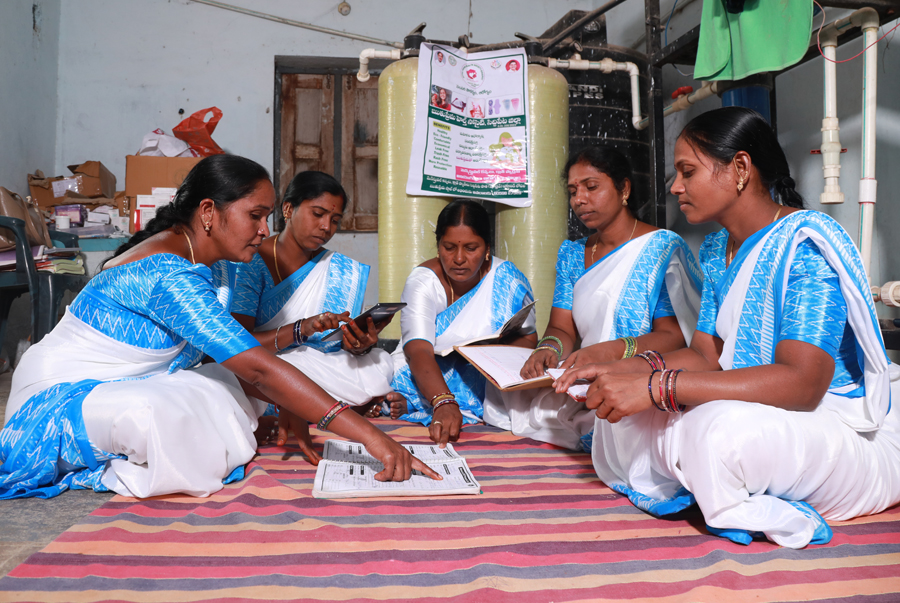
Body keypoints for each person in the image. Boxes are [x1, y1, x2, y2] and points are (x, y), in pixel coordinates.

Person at [555, 107, 900, 549]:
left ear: (739, 169)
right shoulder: (719, 247)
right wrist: (625, 371)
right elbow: (705, 357)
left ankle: (739, 496)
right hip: (764, 415)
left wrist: (659, 387)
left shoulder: (805, 243)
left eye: (688, 172)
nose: (676, 187)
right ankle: (716, 485)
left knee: (717, 432)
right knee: (627, 419)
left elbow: (803, 384)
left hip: (839, 429)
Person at [0, 155, 438, 500]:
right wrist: (374, 441)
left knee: (221, 387)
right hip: (59, 398)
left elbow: (236, 360)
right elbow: (259, 366)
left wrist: (293, 409)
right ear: (209, 212)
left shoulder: (217, 264)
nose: (265, 229)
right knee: (160, 415)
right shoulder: (168, 273)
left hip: (141, 382)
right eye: (256, 216)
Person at [483, 147, 702, 451]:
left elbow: (675, 337)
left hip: (639, 376)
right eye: (573, 191)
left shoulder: (660, 248)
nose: (579, 199)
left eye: (591, 187)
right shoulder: (572, 255)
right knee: (509, 398)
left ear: (623, 188)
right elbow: (562, 328)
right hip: (584, 376)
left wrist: (609, 352)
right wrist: (548, 349)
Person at [231, 170, 398, 425]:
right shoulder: (250, 261)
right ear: (288, 209)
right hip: (268, 361)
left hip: (318, 363)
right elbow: (236, 345)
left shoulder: (339, 269)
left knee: (379, 361)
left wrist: (359, 345)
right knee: (284, 366)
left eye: (335, 220)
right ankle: (341, 406)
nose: (326, 227)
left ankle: (323, 406)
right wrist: (300, 329)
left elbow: (330, 348)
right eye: (318, 214)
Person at [390, 200, 537, 446]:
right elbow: (418, 349)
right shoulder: (423, 282)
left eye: (471, 248)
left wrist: (493, 357)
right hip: (426, 364)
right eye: (449, 247)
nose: (459, 258)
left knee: (531, 400)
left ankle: (416, 402)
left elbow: (528, 339)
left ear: (487, 247)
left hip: (488, 368)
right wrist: (443, 401)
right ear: (438, 246)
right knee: (393, 373)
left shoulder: (506, 278)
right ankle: (429, 399)